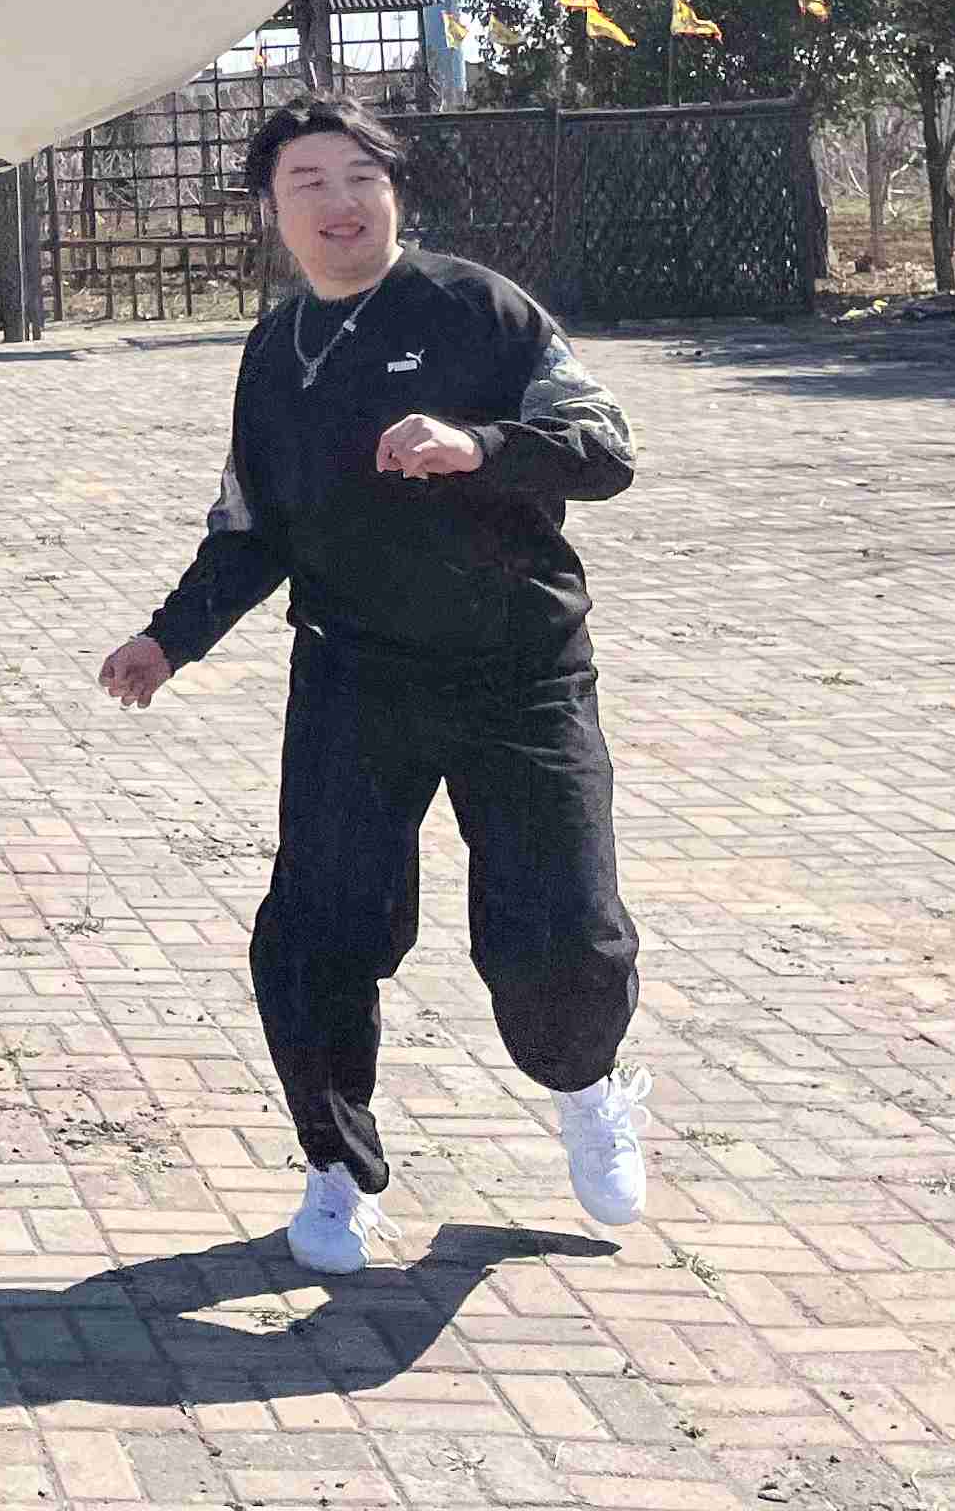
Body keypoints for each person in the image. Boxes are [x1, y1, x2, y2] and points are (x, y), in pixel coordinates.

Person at [95, 95, 650, 1277]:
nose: (339, 205)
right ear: (270, 211)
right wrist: (168, 640)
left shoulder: (479, 310)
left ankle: (586, 1081)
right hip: (354, 675)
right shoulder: (273, 350)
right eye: (308, 184)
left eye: (360, 178)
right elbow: (254, 525)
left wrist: (479, 449)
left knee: (562, 932)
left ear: (395, 192)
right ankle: (336, 1168)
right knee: (317, 932)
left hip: (520, 674)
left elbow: (605, 448)